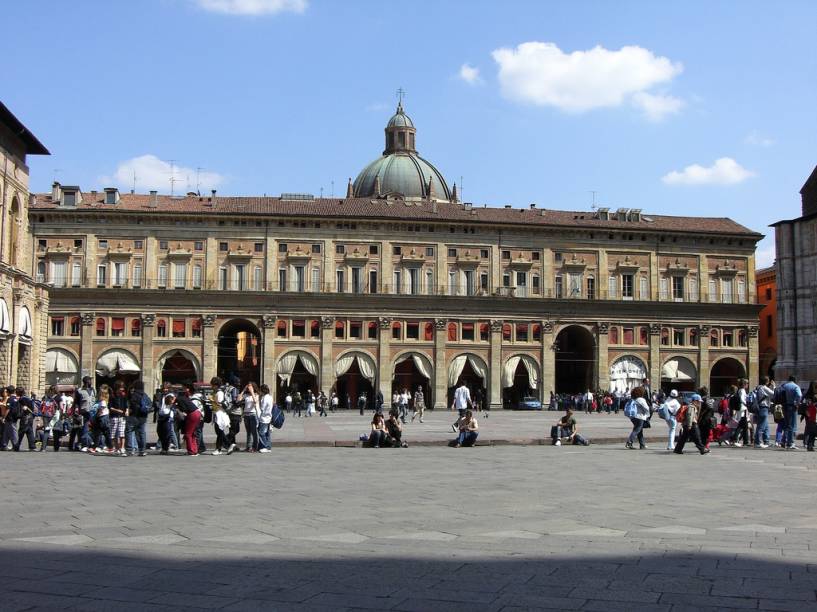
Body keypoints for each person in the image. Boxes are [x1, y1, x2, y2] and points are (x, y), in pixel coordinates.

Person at [126, 380, 150, 456]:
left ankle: (130, 450)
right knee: (142, 433)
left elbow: (133, 405)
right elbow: (150, 404)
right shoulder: (145, 395)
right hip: (143, 417)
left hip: (134, 416)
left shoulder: (134, 395)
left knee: (129, 431)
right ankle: (142, 450)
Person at [176, 383, 201, 456]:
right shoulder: (184, 397)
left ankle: (191, 451)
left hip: (192, 414)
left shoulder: (179, 399)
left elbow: (184, 410)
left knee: (188, 434)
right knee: (192, 433)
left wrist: (179, 410)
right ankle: (195, 450)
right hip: (197, 413)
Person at [780, 375, 803, 450]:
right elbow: (799, 395)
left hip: (784, 406)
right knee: (791, 425)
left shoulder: (784, 386)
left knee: (786, 425)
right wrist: (797, 403)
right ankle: (790, 443)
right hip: (791, 406)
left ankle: (783, 441)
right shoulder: (795, 386)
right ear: (794, 380)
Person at [753, 376, 774, 448]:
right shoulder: (764, 388)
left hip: (760, 407)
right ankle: (757, 442)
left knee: (766, 426)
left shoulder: (758, 387)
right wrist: (773, 386)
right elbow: (773, 394)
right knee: (761, 425)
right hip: (763, 408)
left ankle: (766, 441)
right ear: (767, 382)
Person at [240, 382, 260, 451]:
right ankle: (248, 447)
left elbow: (255, 402)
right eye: (248, 387)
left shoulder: (256, 395)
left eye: (250, 387)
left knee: (254, 432)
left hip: (253, 414)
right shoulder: (246, 395)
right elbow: (238, 399)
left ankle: (255, 447)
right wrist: (243, 390)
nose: (249, 388)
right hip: (246, 414)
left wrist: (252, 392)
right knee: (248, 432)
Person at [257, 384, 273, 452]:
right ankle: (268, 447)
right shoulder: (270, 397)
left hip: (264, 417)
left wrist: (259, 401)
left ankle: (265, 446)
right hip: (269, 417)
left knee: (261, 432)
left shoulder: (264, 398)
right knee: (267, 433)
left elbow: (262, 408)